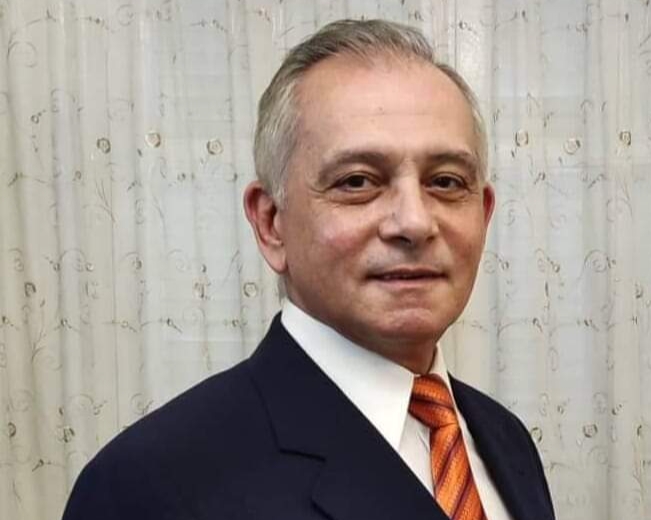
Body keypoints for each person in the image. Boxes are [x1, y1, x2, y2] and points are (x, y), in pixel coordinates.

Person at [62, 19, 555, 520]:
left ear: (484, 214)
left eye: (446, 182)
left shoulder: (504, 440)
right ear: (271, 223)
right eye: (357, 181)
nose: (414, 222)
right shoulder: (147, 487)